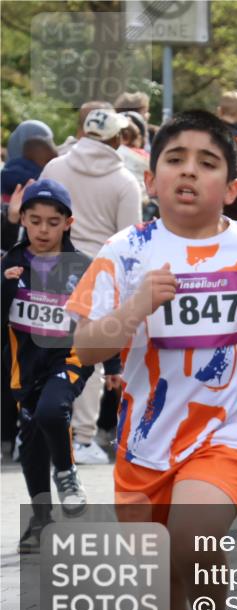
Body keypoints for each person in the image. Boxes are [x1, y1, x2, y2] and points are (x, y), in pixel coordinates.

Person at [66, 110, 237, 610]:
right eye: (174, 160)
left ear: (231, 188)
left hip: (227, 430)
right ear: (150, 180)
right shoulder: (123, 251)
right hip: (143, 442)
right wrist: (136, 306)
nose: (188, 173)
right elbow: (86, 346)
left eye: (206, 164)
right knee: (156, 589)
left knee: (191, 540)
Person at [39, 107, 142, 464]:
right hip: (98, 273)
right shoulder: (125, 181)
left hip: (51, 264)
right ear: (116, 139)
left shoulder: (54, 167)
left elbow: (36, 219)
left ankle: (37, 429)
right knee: (88, 355)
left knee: (45, 345)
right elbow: (130, 240)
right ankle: (81, 437)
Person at [2, 180, 93, 552]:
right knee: (32, 441)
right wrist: (5, 287)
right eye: (34, 220)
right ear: (22, 218)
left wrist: (115, 365)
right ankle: (41, 520)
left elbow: (103, 317)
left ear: (68, 223)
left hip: (67, 357)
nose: (42, 229)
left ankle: (67, 473)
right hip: (24, 365)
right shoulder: (11, 261)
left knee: (53, 412)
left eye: (52, 222)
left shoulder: (83, 266)